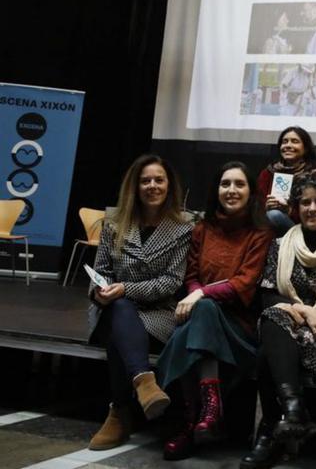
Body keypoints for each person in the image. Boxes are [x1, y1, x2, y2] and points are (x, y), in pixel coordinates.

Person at [158, 161, 274, 460]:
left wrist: (199, 296)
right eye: (225, 184)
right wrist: (198, 293)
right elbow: (191, 274)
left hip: (239, 329)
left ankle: (189, 422)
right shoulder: (202, 229)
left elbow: (244, 284)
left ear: (251, 191)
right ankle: (205, 415)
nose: (231, 190)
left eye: (239, 184)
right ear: (217, 190)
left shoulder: (260, 232)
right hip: (203, 322)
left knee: (202, 312)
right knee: (201, 315)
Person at [241, 172, 316, 469]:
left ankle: (271, 429)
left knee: (269, 346)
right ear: (296, 207)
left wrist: (312, 316)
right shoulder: (280, 245)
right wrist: (305, 310)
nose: (312, 208)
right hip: (286, 324)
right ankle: (291, 412)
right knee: (273, 323)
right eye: (305, 202)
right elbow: (267, 297)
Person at [86, 155, 193, 451]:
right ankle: (144, 382)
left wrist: (125, 289)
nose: (152, 186)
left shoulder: (184, 227)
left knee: (120, 324)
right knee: (119, 311)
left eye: (159, 179)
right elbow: (101, 271)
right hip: (115, 306)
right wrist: (99, 291)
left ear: (169, 185)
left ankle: (119, 411)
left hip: (159, 312)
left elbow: (172, 282)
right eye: (145, 180)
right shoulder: (114, 223)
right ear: (135, 186)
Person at [256, 126, 316, 235]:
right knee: (272, 214)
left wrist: (289, 210)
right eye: (284, 142)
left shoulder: (315, 175)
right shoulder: (267, 173)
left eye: (294, 142)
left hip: (306, 227)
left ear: (305, 148)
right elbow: (255, 206)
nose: (288, 146)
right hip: (269, 227)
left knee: (274, 214)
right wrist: (264, 208)